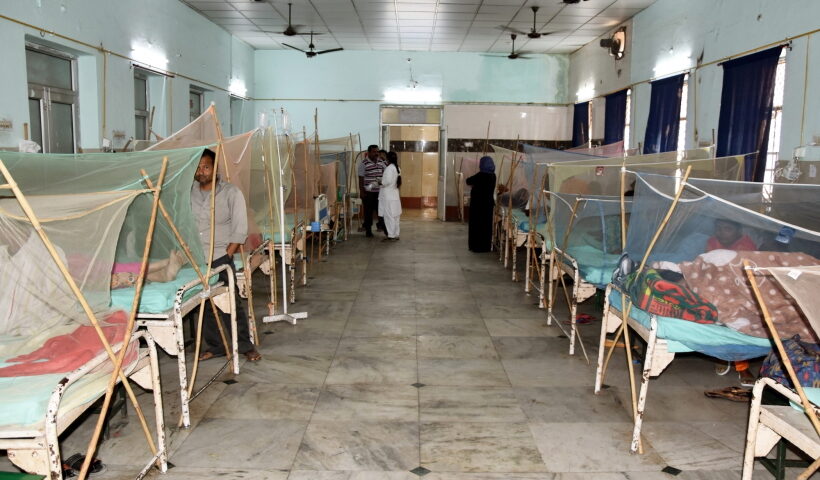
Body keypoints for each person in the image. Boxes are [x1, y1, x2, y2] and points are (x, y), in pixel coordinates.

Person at [190, 149, 261, 362]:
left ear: (215, 168)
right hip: (196, 257)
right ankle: (217, 346)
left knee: (231, 304)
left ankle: (245, 345)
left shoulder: (231, 192)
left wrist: (227, 254)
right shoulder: (188, 193)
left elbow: (240, 228)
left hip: (220, 255)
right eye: (198, 168)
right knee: (204, 305)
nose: (201, 172)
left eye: (206, 167)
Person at [706, 218, 757, 385]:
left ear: (739, 232)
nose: (721, 233)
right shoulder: (712, 242)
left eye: (727, 229)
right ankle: (722, 356)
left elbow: (745, 275)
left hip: (740, 288)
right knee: (714, 312)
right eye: (718, 228)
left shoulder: (747, 246)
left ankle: (741, 366)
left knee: (738, 319)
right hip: (716, 285)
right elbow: (708, 267)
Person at [465, 156, 496, 252]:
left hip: (477, 205)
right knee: (486, 225)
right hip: (488, 205)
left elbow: (468, 181)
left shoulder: (480, 175)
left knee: (476, 225)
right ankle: (485, 246)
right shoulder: (493, 176)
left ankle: (476, 246)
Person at [358, 145, 387, 237]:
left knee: (381, 211)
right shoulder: (364, 163)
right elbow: (361, 178)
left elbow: (386, 173)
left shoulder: (381, 162)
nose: (376, 153)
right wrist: (361, 192)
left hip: (380, 192)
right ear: (369, 152)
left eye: (377, 151)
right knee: (368, 212)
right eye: (374, 152)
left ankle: (385, 229)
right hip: (368, 193)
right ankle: (368, 230)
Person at [379, 151, 402, 241]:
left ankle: (391, 235)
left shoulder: (389, 168)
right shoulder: (397, 168)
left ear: (387, 158)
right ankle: (396, 234)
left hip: (388, 196)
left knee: (389, 216)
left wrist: (379, 181)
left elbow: (386, 182)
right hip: (395, 195)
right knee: (396, 216)